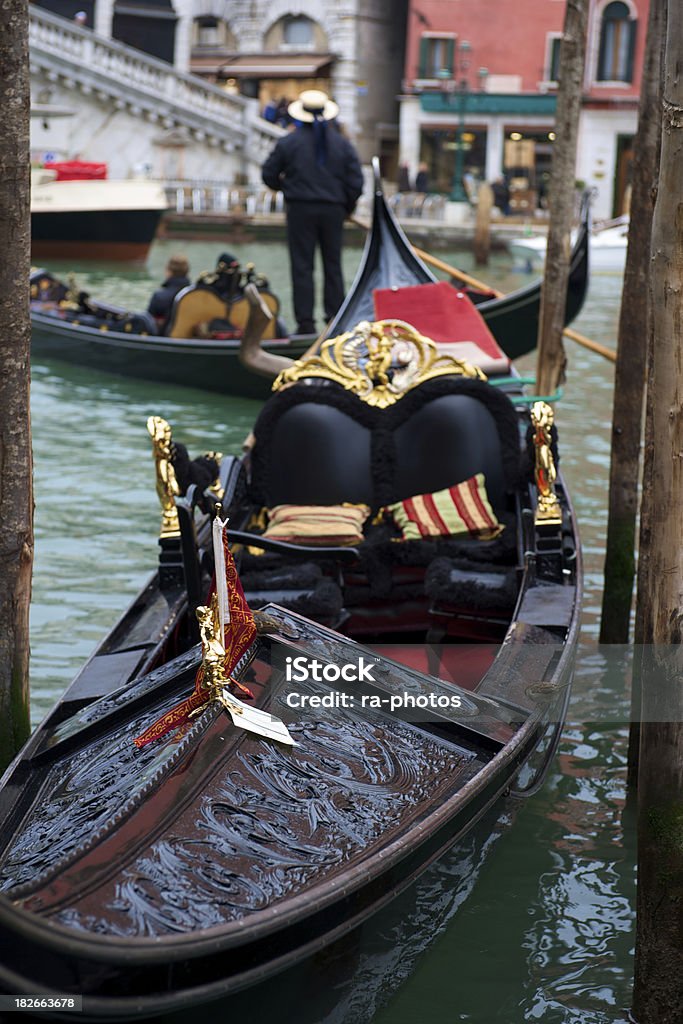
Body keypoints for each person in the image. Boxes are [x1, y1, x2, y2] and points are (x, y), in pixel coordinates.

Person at [261, 89, 364, 336]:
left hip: (300, 209)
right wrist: (345, 207)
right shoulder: (343, 144)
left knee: (302, 266)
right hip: (332, 211)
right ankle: (335, 319)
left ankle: (305, 325)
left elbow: (268, 175)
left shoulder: (288, 142)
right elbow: (356, 183)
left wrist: (287, 187)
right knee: (333, 265)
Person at [148, 255, 191, 328]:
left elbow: (148, 322)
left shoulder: (159, 296)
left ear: (169, 271)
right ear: (187, 272)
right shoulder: (195, 294)